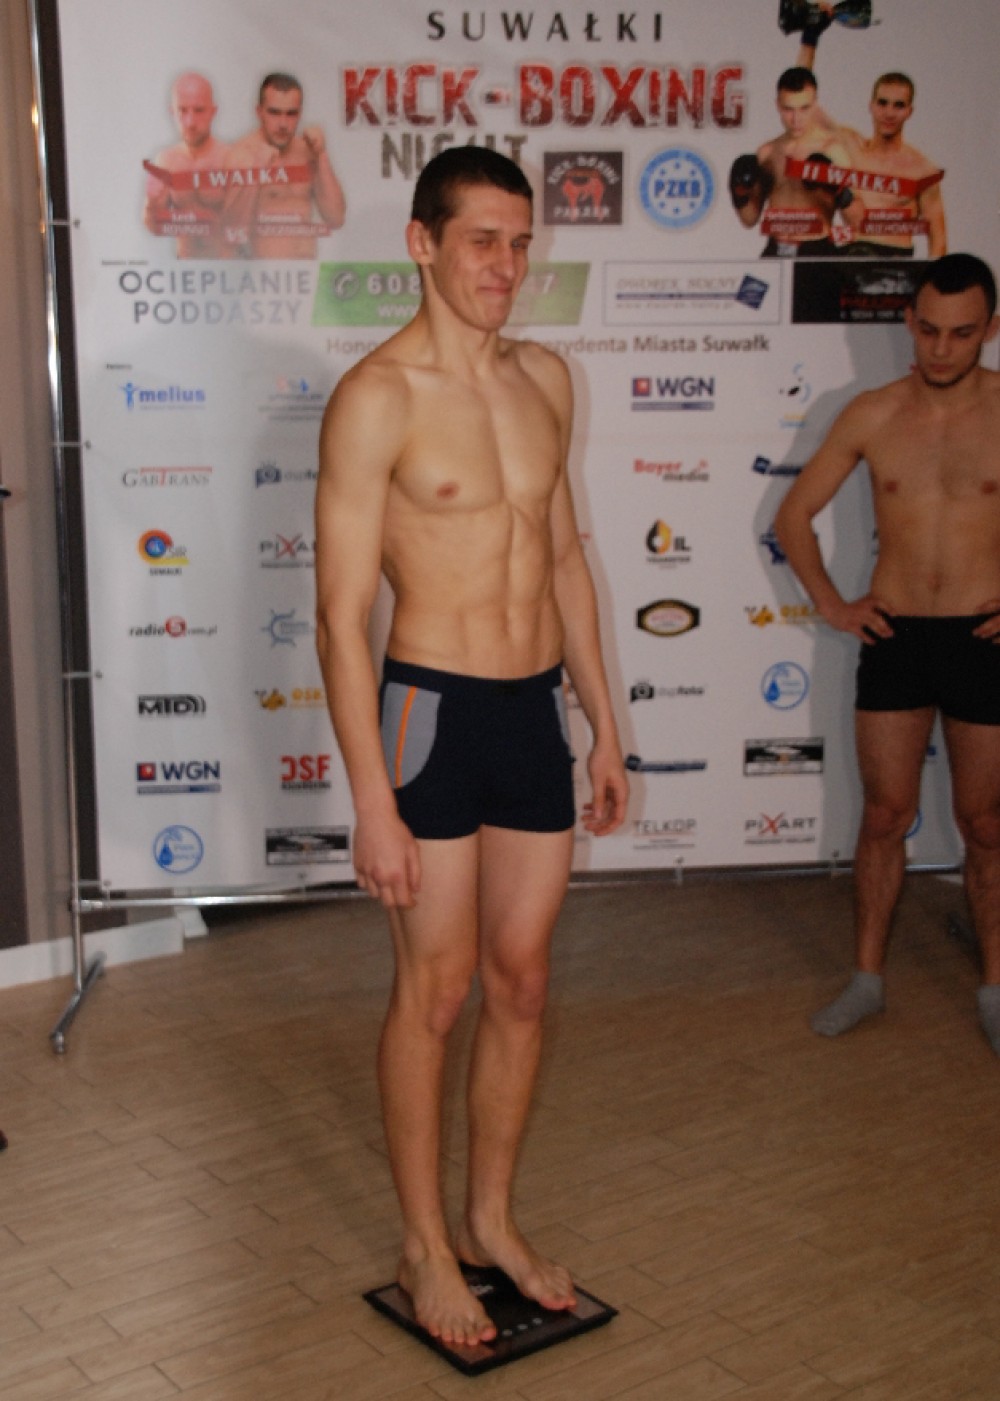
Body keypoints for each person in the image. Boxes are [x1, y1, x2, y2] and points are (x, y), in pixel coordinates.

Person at [314, 146, 628, 1347]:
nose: (506, 264)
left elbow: (563, 562)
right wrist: (373, 801)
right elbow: (342, 616)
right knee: (435, 990)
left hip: (530, 708)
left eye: (519, 241)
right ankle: (422, 1244)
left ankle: (490, 1219)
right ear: (422, 243)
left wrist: (602, 725)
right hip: (431, 716)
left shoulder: (545, 378)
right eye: (482, 241)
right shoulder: (377, 397)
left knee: (522, 981)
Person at [773, 253, 1000, 1052]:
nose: (940, 349)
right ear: (909, 321)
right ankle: (867, 978)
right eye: (928, 330)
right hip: (897, 635)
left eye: (961, 334)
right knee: (883, 815)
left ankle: (995, 988)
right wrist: (833, 603)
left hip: (982, 640)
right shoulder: (872, 412)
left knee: (985, 823)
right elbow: (792, 516)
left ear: (990, 329)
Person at [797, 19, 947, 257]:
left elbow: (938, 242)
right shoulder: (850, 146)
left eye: (898, 105)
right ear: (871, 106)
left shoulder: (922, 170)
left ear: (909, 111)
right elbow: (801, 102)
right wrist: (810, 39)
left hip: (894, 264)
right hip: (849, 257)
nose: (889, 113)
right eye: (883, 103)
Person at [728, 67, 862, 257]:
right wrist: (740, 193)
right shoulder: (767, 152)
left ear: (815, 104)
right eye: (788, 109)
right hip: (776, 249)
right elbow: (749, 219)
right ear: (777, 105)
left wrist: (839, 190)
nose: (796, 119)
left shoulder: (833, 150)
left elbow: (856, 221)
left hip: (815, 250)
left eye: (804, 108)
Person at [224, 72, 346, 258]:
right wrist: (255, 174)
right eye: (274, 112)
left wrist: (321, 155)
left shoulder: (307, 151)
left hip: (307, 269)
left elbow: (336, 218)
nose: (283, 124)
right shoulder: (242, 154)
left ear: (300, 113)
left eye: (291, 114)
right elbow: (231, 232)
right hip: (264, 272)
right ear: (259, 112)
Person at [143, 73, 232, 259]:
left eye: (199, 110)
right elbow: (154, 226)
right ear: (172, 112)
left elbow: (251, 227)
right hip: (185, 268)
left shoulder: (231, 158)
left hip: (226, 268)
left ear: (213, 111)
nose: (190, 122)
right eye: (182, 111)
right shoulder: (166, 160)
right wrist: (151, 203)